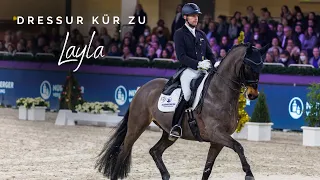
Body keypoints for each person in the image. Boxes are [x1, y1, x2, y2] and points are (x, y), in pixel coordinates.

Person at [169, 3, 216, 140]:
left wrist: (215, 63)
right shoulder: (179, 34)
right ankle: (175, 125)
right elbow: (181, 56)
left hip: (203, 69)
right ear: (185, 17)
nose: (196, 18)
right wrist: (198, 64)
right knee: (188, 94)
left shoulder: (201, 34)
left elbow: (210, 53)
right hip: (188, 70)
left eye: (196, 16)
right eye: (192, 16)